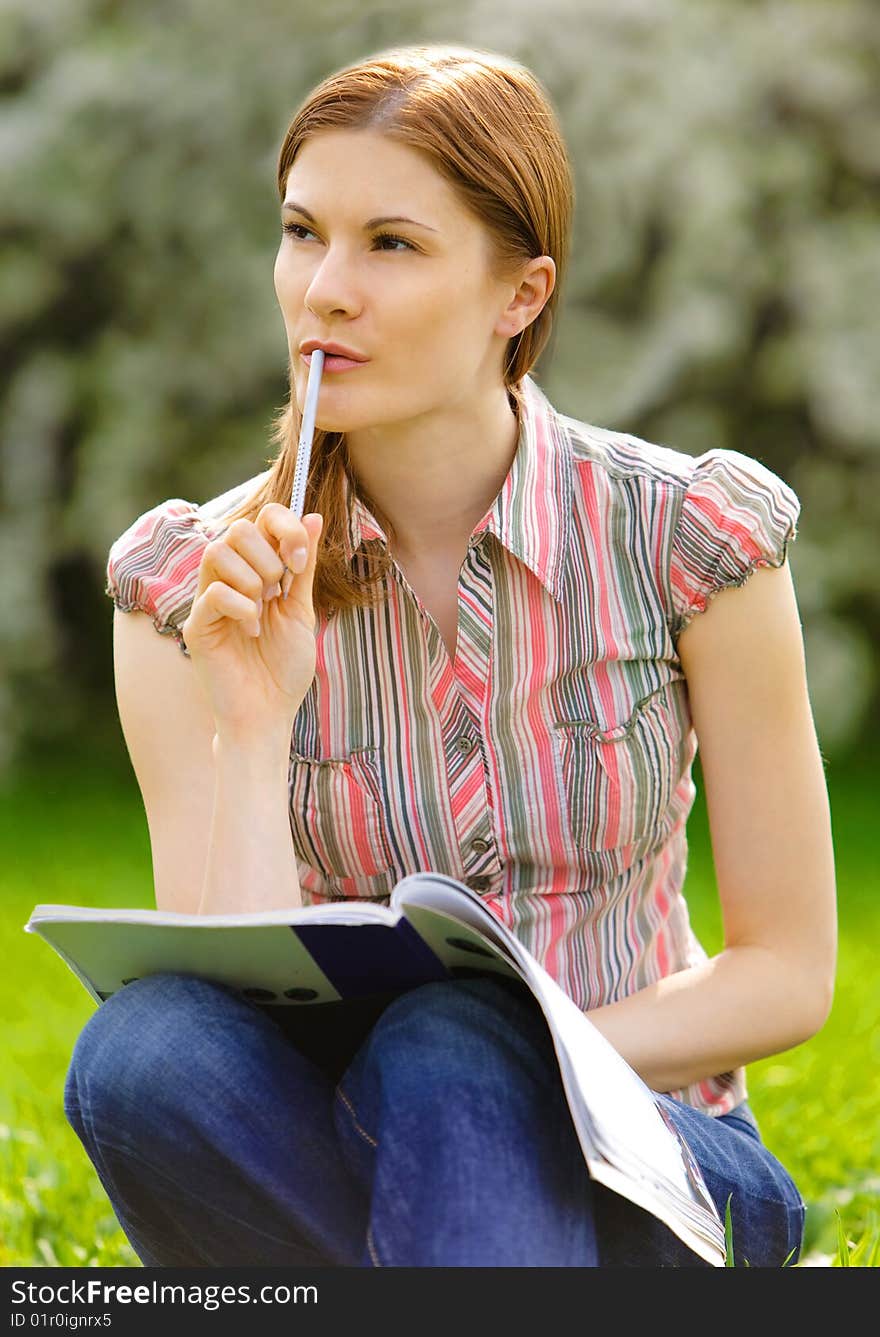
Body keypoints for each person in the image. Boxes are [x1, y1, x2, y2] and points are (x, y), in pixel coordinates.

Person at [63, 43, 836, 1267]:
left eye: (390, 244)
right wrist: (254, 721)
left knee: (449, 1037)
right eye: (302, 231)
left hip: (658, 1153)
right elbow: (232, 1015)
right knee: (142, 1047)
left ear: (518, 294)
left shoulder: (687, 538)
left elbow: (786, 973)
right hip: (335, 1134)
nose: (322, 289)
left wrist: (528, 1039)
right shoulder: (188, 588)